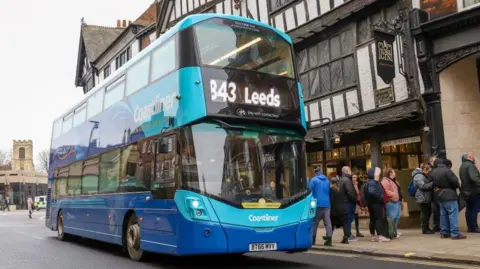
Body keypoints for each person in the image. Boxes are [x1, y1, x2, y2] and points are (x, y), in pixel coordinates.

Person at [430, 158, 466, 240]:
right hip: (449, 194)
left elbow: (431, 182)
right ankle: (455, 233)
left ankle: (444, 232)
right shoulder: (447, 170)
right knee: (453, 214)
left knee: (443, 214)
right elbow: (455, 181)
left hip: (439, 195)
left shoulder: (433, 171)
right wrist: (457, 186)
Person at [365, 166, 390, 242]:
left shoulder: (371, 181)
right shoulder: (372, 182)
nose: (379, 173)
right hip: (376, 203)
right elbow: (371, 192)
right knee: (378, 219)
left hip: (372, 203)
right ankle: (380, 236)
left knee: (373, 219)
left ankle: (373, 236)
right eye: (378, 172)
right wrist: (381, 197)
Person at [309, 167, 332, 245]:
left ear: (315, 172)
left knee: (315, 222)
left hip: (316, 204)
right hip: (327, 204)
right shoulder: (327, 181)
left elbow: (310, 192)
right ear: (321, 172)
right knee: (328, 222)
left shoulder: (313, 180)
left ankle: (313, 240)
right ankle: (329, 240)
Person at [459, 152, 480, 233]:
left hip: (466, 191)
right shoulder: (470, 165)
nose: (474, 157)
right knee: (475, 209)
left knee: (469, 209)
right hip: (473, 191)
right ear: (469, 157)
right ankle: (474, 227)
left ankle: (470, 227)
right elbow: (474, 178)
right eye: (472, 156)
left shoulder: (463, 165)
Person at [413, 164, 435, 234]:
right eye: (428, 170)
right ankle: (424, 228)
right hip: (422, 197)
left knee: (427, 212)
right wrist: (432, 183)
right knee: (425, 213)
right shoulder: (419, 176)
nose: (429, 172)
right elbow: (422, 186)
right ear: (424, 169)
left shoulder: (423, 175)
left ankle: (426, 227)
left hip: (425, 196)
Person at [339, 166, 358, 242]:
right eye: (350, 170)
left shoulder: (343, 179)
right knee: (348, 219)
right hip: (348, 202)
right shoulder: (347, 180)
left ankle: (348, 234)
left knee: (348, 220)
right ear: (346, 171)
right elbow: (350, 192)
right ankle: (348, 235)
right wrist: (355, 200)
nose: (351, 171)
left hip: (345, 202)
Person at [327, 177, 349, 245]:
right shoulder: (341, 190)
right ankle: (346, 238)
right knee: (345, 224)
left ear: (331, 183)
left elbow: (330, 200)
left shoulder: (330, 190)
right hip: (344, 209)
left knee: (331, 225)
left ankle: (329, 239)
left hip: (335, 210)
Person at [381, 168, 401, 236]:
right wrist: (393, 194)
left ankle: (394, 231)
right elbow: (385, 191)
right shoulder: (385, 181)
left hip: (396, 201)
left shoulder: (393, 181)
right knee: (391, 218)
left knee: (396, 217)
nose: (395, 173)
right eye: (393, 172)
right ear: (390, 173)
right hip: (391, 202)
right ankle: (390, 232)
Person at [352, 173, 365, 238]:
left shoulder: (357, 185)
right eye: (353, 177)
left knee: (357, 218)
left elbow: (359, 193)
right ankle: (349, 232)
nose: (354, 178)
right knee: (351, 218)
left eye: (355, 177)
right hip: (352, 204)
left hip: (357, 203)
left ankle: (357, 231)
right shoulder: (350, 185)